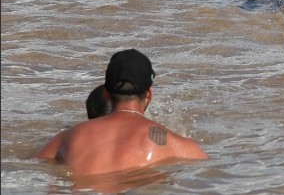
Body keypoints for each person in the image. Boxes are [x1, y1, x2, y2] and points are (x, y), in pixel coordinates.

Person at [36, 49, 208, 175]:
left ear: (106, 93)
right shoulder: (173, 143)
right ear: (149, 94)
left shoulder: (68, 137)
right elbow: (207, 174)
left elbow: (34, 164)